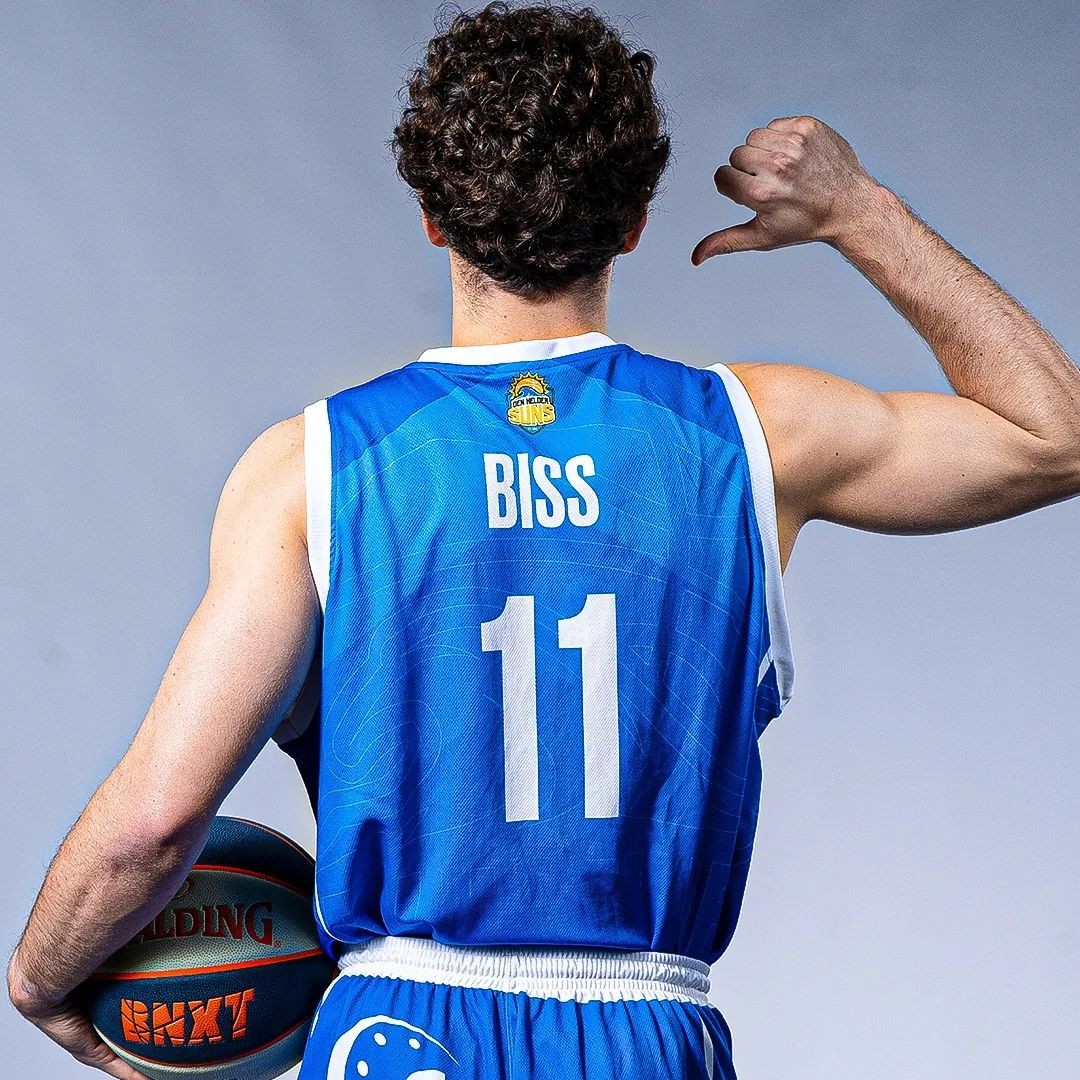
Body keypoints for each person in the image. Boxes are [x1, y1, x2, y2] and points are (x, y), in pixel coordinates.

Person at [9, 3, 1080, 1078]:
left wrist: (41, 977)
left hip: (405, 1031)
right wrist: (858, 211)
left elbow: (157, 824)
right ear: (635, 222)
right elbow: (1054, 437)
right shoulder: (752, 437)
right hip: (646, 1035)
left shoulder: (313, 471)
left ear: (432, 217)